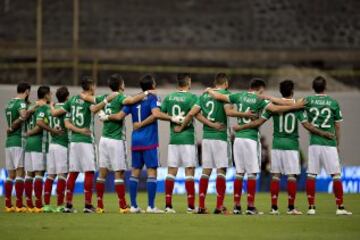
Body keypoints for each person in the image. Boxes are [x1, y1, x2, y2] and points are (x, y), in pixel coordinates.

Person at [233, 80, 334, 215]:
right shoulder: (298, 106)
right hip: (291, 145)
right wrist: (323, 133)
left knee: (276, 176)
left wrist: (241, 127)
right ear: (292, 91)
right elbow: (307, 125)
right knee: (291, 176)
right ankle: (291, 207)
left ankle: (274, 208)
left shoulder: (273, 106)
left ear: (280, 91)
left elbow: (258, 121)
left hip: (277, 145)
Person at [207, 78, 304, 215]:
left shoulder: (239, 95)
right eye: (262, 91)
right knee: (251, 173)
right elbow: (275, 108)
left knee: (239, 173)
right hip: (251, 139)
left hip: (238, 139)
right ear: (259, 89)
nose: (262, 93)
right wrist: (295, 106)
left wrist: (209, 90)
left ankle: (236, 206)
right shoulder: (260, 100)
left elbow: (218, 96)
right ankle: (251, 207)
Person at [103, 74, 182, 213]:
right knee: (152, 172)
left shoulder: (133, 99)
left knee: (135, 172)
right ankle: (151, 206)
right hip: (150, 140)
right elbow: (156, 114)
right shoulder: (153, 97)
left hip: (136, 140)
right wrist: (172, 118)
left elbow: (120, 115)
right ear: (152, 85)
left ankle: (133, 206)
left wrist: (106, 116)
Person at [177, 73, 253, 214]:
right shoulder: (225, 94)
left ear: (215, 82)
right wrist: (245, 114)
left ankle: (201, 206)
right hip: (221, 137)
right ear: (226, 83)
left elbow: (194, 113)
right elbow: (229, 112)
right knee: (221, 170)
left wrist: (210, 124)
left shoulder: (204, 96)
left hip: (207, 137)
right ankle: (219, 206)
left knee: (206, 171)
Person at [80, 73, 151, 213]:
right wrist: (147, 92)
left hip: (104, 140)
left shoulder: (104, 97)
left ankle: (100, 205)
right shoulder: (120, 97)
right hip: (117, 140)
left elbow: (87, 97)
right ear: (120, 85)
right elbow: (132, 100)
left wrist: (83, 95)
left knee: (102, 173)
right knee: (119, 173)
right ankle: (123, 205)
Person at [50, 76, 118, 213]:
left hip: (73, 141)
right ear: (91, 86)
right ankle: (87, 205)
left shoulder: (72, 100)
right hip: (86, 140)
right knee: (89, 172)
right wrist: (107, 100)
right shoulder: (90, 100)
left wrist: (51, 105)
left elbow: (59, 116)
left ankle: (68, 204)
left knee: (73, 172)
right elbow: (95, 108)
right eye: (94, 86)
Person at [304, 76, 352, 215]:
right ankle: (340, 207)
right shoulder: (333, 102)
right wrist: (337, 143)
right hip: (329, 143)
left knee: (312, 174)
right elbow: (337, 125)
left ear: (313, 88)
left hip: (314, 142)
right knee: (336, 175)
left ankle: (311, 207)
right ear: (325, 87)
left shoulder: (308, 101)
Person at [24, 86, 62, 213]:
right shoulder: (44, 108)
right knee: (39, 173)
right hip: (39, 143)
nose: (51, 95)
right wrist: (52, 131)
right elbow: (40, 124)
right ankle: (38, 203)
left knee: (29, 174)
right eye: (50, 94)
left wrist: (27, 134)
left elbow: (25, 116)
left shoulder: (32, 107)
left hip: (28, 144)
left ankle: (29, 203)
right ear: (46, 95)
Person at [4, 82, 33, 212]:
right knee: (20, 173)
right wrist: (32, 108)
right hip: (19, 141)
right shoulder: (21, 103)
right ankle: (19, 204)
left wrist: (10, 127)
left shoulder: (9, 103)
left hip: (8, 142)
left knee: (10, 175)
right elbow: (23, 115)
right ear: (26, 91)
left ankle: (8, 204)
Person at [43, 86, 70, 213]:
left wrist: (52, 106)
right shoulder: (64, 109)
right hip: (61, 145)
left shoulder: (50, 110)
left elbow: (46, 122)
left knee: (50, 175)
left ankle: (47, 205)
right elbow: (67, 124)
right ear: (67, 97)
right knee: (62, 175)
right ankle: (60, 205)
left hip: (52, 145)